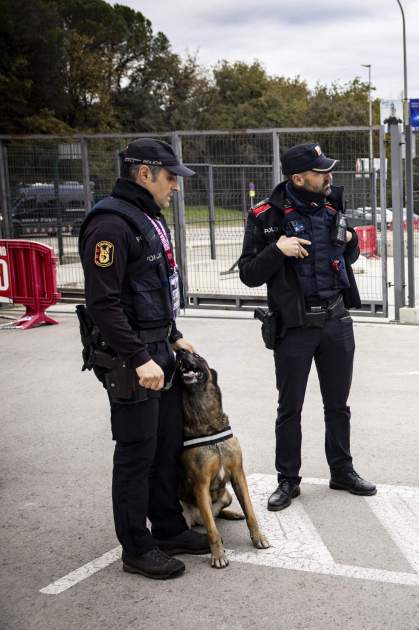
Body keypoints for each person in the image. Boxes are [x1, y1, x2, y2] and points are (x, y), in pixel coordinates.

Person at [78, 138, 210, 579]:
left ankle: (169, 529)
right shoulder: (111, 225)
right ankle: (136, 547)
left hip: (158, 349)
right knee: (136, 452)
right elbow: (105, 303)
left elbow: (154, 287)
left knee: (166, 446)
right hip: (131, 358)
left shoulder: (146, 217)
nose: (176, 186)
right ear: (144, 173)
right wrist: (138, 357)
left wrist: (172, 337)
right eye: (170, 177)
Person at [239, 143, 376, 511]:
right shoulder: (266, 216)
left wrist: (352, 241)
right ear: (298, 178)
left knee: (339, 405)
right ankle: (288, 479)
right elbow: (249, 274)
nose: (328, 176)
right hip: (294, 327)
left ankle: (342, 470)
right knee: (290, 408)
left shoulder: (333, 205)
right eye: (320, 172)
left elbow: (348, 254)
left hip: (335, 321)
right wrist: (277, 250)